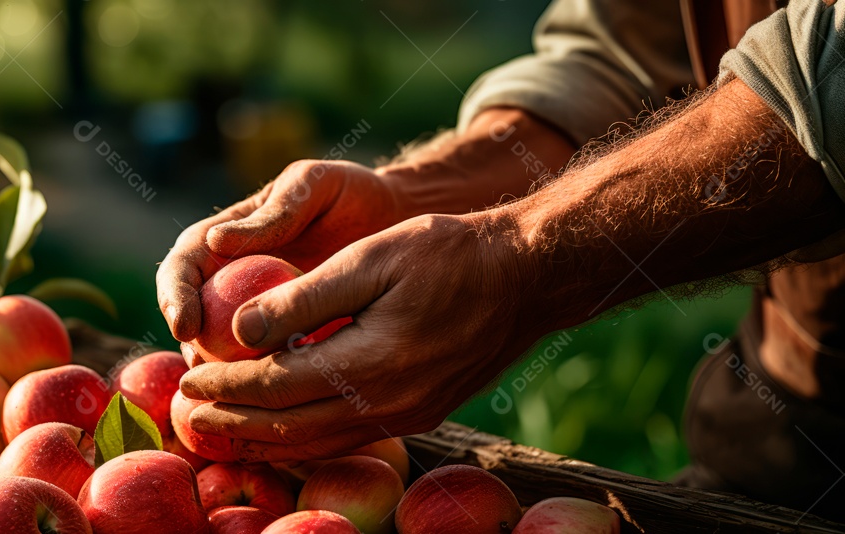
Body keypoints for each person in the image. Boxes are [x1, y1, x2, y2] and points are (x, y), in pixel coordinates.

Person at [156, 0, 845, 519]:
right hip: (778, 429)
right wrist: (411, 196)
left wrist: (517, 262)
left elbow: (832, 81)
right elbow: (624, 55)